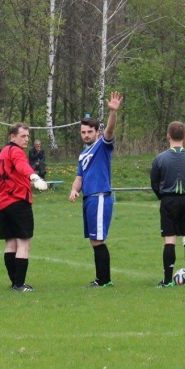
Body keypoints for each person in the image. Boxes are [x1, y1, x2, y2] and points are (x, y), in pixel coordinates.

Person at [69, 92, 123, 288]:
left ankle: (104, 280)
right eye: (83, 132)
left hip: (100, 196)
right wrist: (75, 190)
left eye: (89, 132)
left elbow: (110, 130)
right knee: (94, 240)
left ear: (96, 132)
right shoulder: (83, 153)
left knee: (98, 239)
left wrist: (113, 112)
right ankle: (101, 279)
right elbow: (79, 177)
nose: (86, 135)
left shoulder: (102, 145)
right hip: (88, 198)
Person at [0, 123, 48, 292]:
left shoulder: (2, 153)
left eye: (27, 136)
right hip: (18, 201)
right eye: (23, 136)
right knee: (24, 244)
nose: (26, 139)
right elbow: (21, 166)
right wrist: (34, 177)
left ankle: (14, 283)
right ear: (12, 137)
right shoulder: (16, 152)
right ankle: (19, 284)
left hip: (3, 203)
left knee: (10, 244)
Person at [151, 121, 185, 287]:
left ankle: (167, 280)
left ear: (168, 136)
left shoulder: (159, 158)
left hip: (169, 201)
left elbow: (154, 182)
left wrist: (163, 197)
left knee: (170, 240)